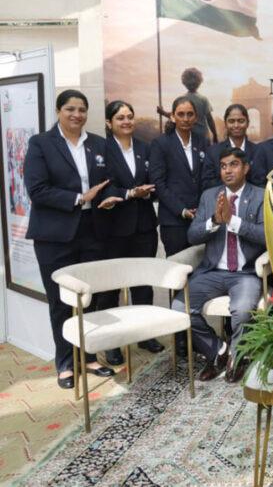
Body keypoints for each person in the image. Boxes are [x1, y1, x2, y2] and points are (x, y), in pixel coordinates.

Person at [24, 90, 116, 388]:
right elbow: (37, 189)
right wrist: (79, 198)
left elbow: (106, 182)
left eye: (82, 109)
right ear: (58, 111)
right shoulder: (41, 143)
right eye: (70, 109)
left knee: (89, 298)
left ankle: (88, 357)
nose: (77, 114)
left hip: (92, 230)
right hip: (55, 235)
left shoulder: (98, 144)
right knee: (61, 301)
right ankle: (65, 363)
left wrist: (109, 197)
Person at [171, 147, 266, 384]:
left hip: (245, 273)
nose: (228, 170)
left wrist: (233, 221)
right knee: (179, 309)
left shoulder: (261, 195)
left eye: (233, 165)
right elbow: (193, 235)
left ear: (246, 168)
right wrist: (214, 220)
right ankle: (218, 350)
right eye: (223, 166)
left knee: (242, 311)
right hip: (212, 272)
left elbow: (267, 236)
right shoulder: (209, 196)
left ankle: (237, 357)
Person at [99, 100, 164, 365]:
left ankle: (144, 334)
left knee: (143, 284)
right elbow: (102, 186)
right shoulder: (101, 150)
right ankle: (112, 342)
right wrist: (128, 193)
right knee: (111, 288)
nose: (126, 121)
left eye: (129, 116)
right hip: (114, 228)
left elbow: (155, 182)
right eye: (120, 118)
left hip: (144, 227)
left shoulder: (145, 148)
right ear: (109, 123)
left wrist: (149, 191)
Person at [149, 96, 210, 256]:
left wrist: (202, 208)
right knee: (178, 267)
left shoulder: (203, 142)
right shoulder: (161, 144)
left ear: (196, 117)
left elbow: (207, 178)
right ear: (172, 116)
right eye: (181, 114)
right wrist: (182, 210)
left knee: (201, 266)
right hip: (173, 221)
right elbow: (158, 184)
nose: (185, 119)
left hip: (200, 218)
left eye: (190, 114)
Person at [201, 104, 261, 190]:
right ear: (225, 124)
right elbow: (207, 183)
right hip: (222, 197)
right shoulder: (213, 152)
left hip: (252, 197)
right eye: (231, 121)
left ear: (247, 123)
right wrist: (232, 184)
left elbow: (261, 182)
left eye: (241, 121)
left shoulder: (258, 151)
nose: (236, 125)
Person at [157, 67, 218, 143]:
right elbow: (210, 119)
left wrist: (162, 112)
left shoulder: (181, 99)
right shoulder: (203, 99)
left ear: (185, 82)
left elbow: (174, 116)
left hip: (187, 136)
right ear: (199, 82)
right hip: (203, 135)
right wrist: (215, 134)